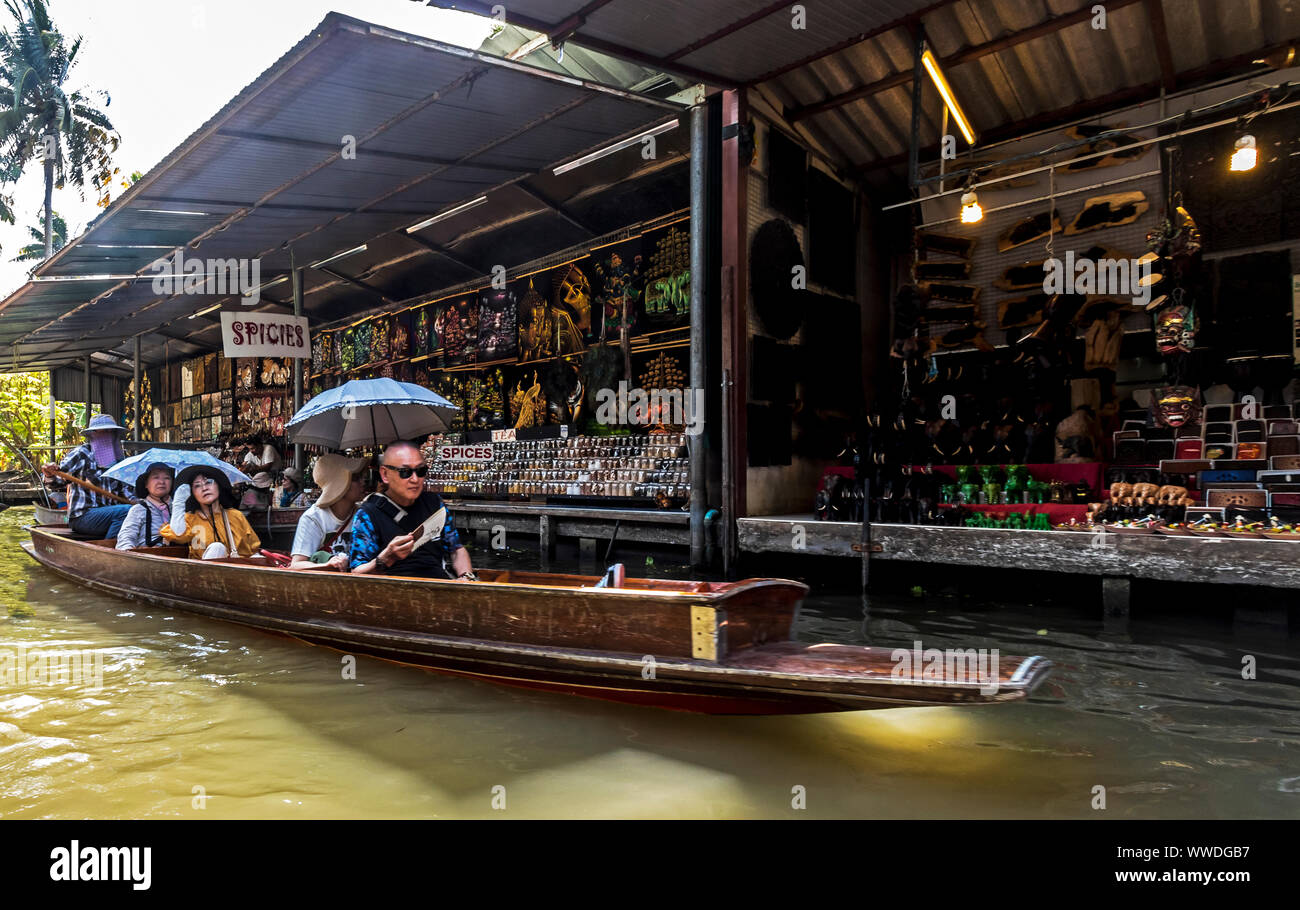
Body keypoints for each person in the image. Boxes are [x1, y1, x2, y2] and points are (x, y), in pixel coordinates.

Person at [349, 441, 475, 580]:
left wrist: (466, 577)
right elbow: (357, 573)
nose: (415, 479)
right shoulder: (368, 514)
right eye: (405, 472)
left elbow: (456, 549)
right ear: (385, 474)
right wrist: (385, 558)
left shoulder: (434, 503)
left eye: (420, 471)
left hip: (438, 588)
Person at [41, 414, 134, 539]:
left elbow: (128, 491)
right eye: (104, 431)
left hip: (109, 516)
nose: (108, 434)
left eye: (111, 431)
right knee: (126, 511)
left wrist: (143, 504)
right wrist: (49, 474)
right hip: (83, 517)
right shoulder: (82, 454)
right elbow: (57, 482)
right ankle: (110, 549)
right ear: (93, 434)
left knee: (136, 511)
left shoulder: (120, 458)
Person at [161, 466, 261, 559]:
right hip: (201, 574)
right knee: (217, 547)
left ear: (218, 485)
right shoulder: (191, 519)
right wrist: (178, 503)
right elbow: (177, 534)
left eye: (209, 482)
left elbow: (253, 549)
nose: (204, 488)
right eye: (197, 486)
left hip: (237, 572)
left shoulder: (236, 516)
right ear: (192, 493)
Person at [289, 454, 367, 571]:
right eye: (356, 478)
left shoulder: (362, 514)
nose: (363, 482)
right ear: (340, 483)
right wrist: (327, 565)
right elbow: (296, 565)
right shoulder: (313, 518)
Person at [115, 463, 175, 550]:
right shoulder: (138, 510)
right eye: (156, 477)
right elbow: (125, 538)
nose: (161, 482)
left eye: (166, 478)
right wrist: (130, 553)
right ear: (146, 484)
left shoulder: (179, 509)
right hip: (147, 557)